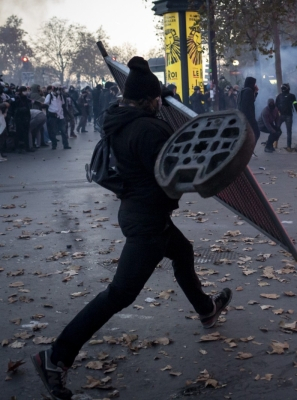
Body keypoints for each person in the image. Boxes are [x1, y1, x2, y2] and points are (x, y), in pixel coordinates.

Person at [30, 56, 232, 400]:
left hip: (136, 211)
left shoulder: (117, 118)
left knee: (183, 252)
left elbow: (149, 117)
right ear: (151, 101)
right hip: (147, 224)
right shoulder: (151, 129)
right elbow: (182, 163)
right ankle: (55, 358)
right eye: (157, 99)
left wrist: (159, 95)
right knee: (119, 295)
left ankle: (206, 310)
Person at [275, 83, 297, 151]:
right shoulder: (292, 96)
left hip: (280, 116)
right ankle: (289, 146)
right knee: (289, 132)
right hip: (289, 116)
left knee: (276, 130)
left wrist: (275, 116)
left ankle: (274, 144)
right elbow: (296, 106)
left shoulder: (278, 96)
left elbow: (275, 107)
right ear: (288, 89)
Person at [44, 84, 71, 150]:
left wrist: (67, 114)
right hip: (53, 116)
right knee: (53, 131)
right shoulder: (49, 96)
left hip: (60, 116)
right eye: (57, 89)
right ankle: (54, 144)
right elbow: (45, 104)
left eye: (59, 89)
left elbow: (63, 105)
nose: (58, 91)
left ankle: (66, 145)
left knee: (63, 131)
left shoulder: (61, 96)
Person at [237, 76, 260, 145]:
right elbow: (247, 106)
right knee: (256, 133)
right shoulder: (248, 91)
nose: (255, 85)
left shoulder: (243, 91)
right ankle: (250, 149)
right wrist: (250, 118)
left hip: (243, 117)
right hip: (249, 118)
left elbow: (251, 101)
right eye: (254, 84)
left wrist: (255, 92)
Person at [10, 86, 33, 153]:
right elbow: (14, 108)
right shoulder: (17, 98)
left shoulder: (25, 98)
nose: (26, 92)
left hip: (26, 117)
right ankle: (19, 147)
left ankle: (26, 147)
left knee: (26, 132)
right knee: (19, 133)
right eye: (24, 91)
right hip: (19, 118)